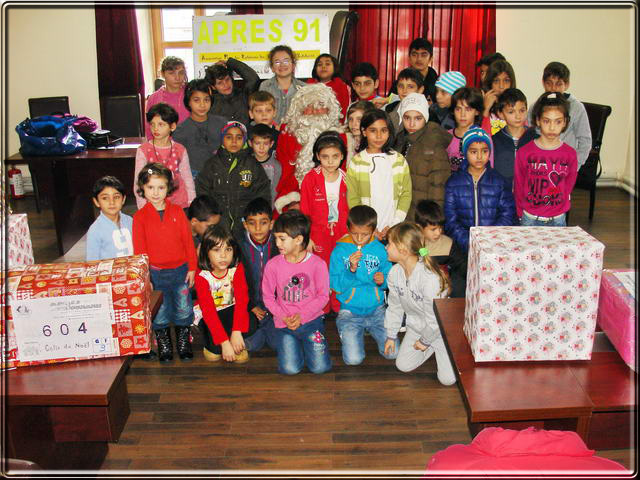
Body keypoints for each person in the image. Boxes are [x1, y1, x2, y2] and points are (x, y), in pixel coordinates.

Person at [133, 163, 197, 362]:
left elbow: (188, 242)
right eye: (150, 187)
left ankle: (183, 340)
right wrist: (146, 277)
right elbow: (140, 251)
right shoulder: (140, 218)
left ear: (168, 188)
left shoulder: (178, 212)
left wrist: (193, 268)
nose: (155, 192)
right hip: (156, 273)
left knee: (183, 308)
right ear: (142, 188)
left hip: (180, 271)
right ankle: (164, 343)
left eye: (161, 187)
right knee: (159, 312)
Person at [383, 222, 456, 386]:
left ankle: (443, 346)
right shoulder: (394, 273)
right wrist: (391, 335)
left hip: (440, 330)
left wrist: (425, 341)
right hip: (417, 327)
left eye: (389, 244)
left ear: (403, 249)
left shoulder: (429, 279)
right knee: (403, 365)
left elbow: (436, 319)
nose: (386, 247)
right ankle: (429, 346)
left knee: (447, 380)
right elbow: (394, 306)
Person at [262, 210, 332, 375]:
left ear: (299, 239)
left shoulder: (318, 264)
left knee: (320, 368)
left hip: (311, 321)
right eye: (276, 238)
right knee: (289, 369)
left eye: (282, 239)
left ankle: (308, 344)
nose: (277, 243)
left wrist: (302, 316)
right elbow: (268, 297)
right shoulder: (273, 265)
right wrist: (283, 316)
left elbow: (323, 296)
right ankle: (298, 346)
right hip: (284, 324)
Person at [329, 205, 396, 365]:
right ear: (348, 229)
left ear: (373, 232)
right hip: (350, 312)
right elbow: (336, 286)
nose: (359, 239)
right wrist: (350, 270)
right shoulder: (339, 251)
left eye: (365, 235)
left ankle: (366, 331)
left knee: (393, 354)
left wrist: (383, 280)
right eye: (354, 234)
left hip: (377, 310)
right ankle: (346, 330)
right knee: (353, 360)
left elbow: (391, 276)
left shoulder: (381, 250)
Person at [274, 83, 345, 215]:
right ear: (300, 111)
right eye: (309, 107)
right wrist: (294, 201)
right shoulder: (288, 136)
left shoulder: (341, 137)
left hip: (332, 200)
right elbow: (285, 173)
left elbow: (343, 177)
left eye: (320, 106)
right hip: (294, 197)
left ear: (329, 110)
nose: (314, 111)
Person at [444, 128, 516, 252]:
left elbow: (507, 215)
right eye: (473, 151)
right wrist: (468, 241)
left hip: (494, 245)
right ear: (465, 152)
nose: (479, 156)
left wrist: (490, 238)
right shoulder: (453, 183)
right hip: (464, 247)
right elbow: (450, 220)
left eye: (484, 151)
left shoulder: (499, 182)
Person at [195, 121, 271, 239]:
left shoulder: (252, 164)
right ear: (222, 139)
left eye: (239, 137)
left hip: (245, 224)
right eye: (229, 137)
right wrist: (211, 216)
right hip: (218, 223)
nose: (234, 141)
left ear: (245, 140)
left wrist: (256, 219)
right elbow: (202, 191)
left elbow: (263, 192)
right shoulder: (212, 164)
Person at [346, 109, 411, 242]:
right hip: (365, 231)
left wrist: (393, 224)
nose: (379, 136)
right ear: (364, 132)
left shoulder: (398, 160)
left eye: (384, 130)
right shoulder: (356, 162)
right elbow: (353, 198)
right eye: (373, 130)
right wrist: (368, 227)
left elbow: (406, 194)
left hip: (394, 229)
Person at [515, 92, 578, 227]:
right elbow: (519, 185)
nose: (551, 127)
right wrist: (520, 213)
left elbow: (569, 184)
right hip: (529, 218)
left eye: (558, 121)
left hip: (558, 219)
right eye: (546, 121)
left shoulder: (570, 154)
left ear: (565, 122)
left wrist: (561, 207)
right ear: (538, 120)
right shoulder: (524, 152)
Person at [194, 224, 253, 363]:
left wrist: (237, 331)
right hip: (211, 315)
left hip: (231, 309)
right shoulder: (202, 276)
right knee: (214, 355)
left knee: (252, 322)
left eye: (228, 249)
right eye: (216, 250)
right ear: (206, 252)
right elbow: (208, 311)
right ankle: (218, 340)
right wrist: (224, 342)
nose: (223, 255)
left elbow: (242, 300)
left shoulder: (236, 268)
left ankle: (234, 338)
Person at [394, 92, 452, 218]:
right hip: (401, 215)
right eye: (407, 117)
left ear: (425, 118)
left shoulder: (433, 143)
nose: (412, 123)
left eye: (418, 118)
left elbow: (438, 188)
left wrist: (431, 221)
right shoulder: (400, 141)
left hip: (422, 217)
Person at [528, 61, 592, 169]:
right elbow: (528, 135)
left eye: (558, 84)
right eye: (549, 83)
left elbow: (585, 141)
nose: (553, 89)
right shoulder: (535, 106)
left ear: (566, 85)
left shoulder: (577, 108)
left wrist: (575, 165)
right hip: (539, 165)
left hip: (564, 165)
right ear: (543, 83)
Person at [300, 131, 349, 267]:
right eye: (325, 156)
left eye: (335, 156)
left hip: (342, 234)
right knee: (319, 269)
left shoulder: (347, 179)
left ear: (342, 156)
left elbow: (351, 210)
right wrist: (307, 238)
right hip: (317, 236)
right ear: (317, 156)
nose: (330, 161)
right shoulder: (310, 179)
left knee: (340, 269)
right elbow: (304, 212)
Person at [134, 103, 195, 209]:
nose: (155, 129)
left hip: (179, 202)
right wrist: (142, 207)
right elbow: (138, 182)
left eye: (161, 124)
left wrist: (192, 202)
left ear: (172, 126)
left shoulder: (180, 149)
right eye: (152, 124)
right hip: (153, 201)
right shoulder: (143, 150)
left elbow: (187, 178)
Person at [238, 197, 279, 353]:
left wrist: (275, 308)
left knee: (277, 344)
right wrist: (251, 306)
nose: (258, 228)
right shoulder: (238, 246)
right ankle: (259, 330)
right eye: (252, 223)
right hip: (249, 305)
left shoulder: (279, 243)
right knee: (252, 345)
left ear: (271, 224)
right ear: (245, 225)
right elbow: (237, 283)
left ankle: (266, 326)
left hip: (274, 306)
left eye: (263, 222)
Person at [172, 79, 228, 179]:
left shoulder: (222, 123)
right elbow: (178, 162)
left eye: (206, 100)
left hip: (220, 175)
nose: (202, 105)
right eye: (196, 100)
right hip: (193, 177)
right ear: (188, 102)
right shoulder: (180, 130)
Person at [414, 199, 467, 298]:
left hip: (444, 292)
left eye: (440, 227)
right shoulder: (412, 245)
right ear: (419, 227)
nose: (438, 232)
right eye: (433, 229)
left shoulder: (448, 244)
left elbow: (462, 266)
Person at [492, 88, 537, 188]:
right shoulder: (495, 141)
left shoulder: (536, 139)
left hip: (529, 197)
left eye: (522, 110)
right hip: (503, 197)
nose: (518, 116)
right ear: (500, 114)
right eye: (511, 112)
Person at [446, 87, 493, 173]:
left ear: (477, 112)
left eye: (468, 109)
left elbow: (489, 169)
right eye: (458, 109)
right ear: (453, 111)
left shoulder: (484, 137)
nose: (462, 114)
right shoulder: (446, 136)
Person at [86, 175, 133, 261]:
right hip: (108, 273)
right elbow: (92, 261)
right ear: (96, 202)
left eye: (116, 197)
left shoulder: (130, 221)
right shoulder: (95, 230)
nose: (112, 202)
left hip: (131, 272)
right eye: (105, 198)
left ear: (123, 199)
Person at [204, 57, 260, 127]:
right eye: (220, 83)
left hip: (245, 136)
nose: (226, 85)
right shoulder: (210, 103)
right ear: (213, 87)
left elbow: (253, 79)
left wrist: (230, 62)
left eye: (227, 79)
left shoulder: (244, 96)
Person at [258, 45, 307, 125]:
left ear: (293, 65)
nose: (282, 65)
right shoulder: (265, 86)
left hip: (296, 132)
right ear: (272, 67)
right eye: (277, 62)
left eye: (286, 61)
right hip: (270, 131)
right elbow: (261, 112)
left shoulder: (304, 88)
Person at [144, 56, 190, 140]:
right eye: (171, 73)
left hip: (189, 145)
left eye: (181, 73)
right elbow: (148, 127)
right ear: (162, 74)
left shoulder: (191, 94)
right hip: (163, 146)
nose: (177, 77)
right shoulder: (154, 98)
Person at [388, 38, 438, 104]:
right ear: (409, 58)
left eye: (424, 55)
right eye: (414, 55)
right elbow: (390, 105)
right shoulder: (401, 80)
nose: (419, 59)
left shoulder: (438, 84)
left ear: (431, 58)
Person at [307, 53, 350, 119]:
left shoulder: (343, 87)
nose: (323, 67)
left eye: (327, 64)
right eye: (319, 64)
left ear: (335, 68)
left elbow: (345, 111)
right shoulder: (307, 87)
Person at [248, 124, 281, 209]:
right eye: (257, 143)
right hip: (248, 209)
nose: (261, 147)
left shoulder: (276, 166)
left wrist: (270, 210)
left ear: (271, 144)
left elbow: (274, 192)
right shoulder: (245, 164)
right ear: (250, 143)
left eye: (265, 143)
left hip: (267, 209)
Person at [481, 59, 517, 135]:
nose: (501, 86)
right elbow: (481, 136)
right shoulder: (482, 105)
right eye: (496, 81)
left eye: (506, 81)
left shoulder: (517, 105)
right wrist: (486, 109)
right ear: (490, 83)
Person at [342, 100, 375, 168]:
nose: (354, 124)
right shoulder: (343, 140)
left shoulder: (375, 143)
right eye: (351, 119)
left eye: (359, 120)